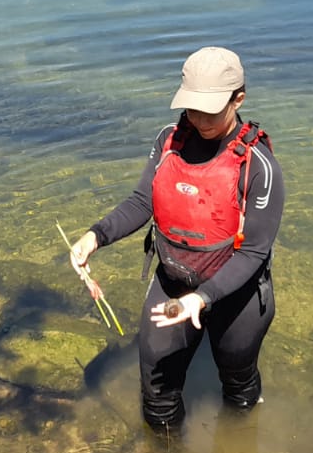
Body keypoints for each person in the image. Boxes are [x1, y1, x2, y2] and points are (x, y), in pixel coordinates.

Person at [70, 47, 283, 432]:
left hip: (238, 297)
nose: (198, 119)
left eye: (210, 110)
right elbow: (141, 201)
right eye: (191, 108)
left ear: (239, 99)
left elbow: (254, 251)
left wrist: (202, 299)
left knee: (238, 386)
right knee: (157, 390)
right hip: (173, 285)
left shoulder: (258, 164)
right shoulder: (168, 142)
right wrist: (95, 236)